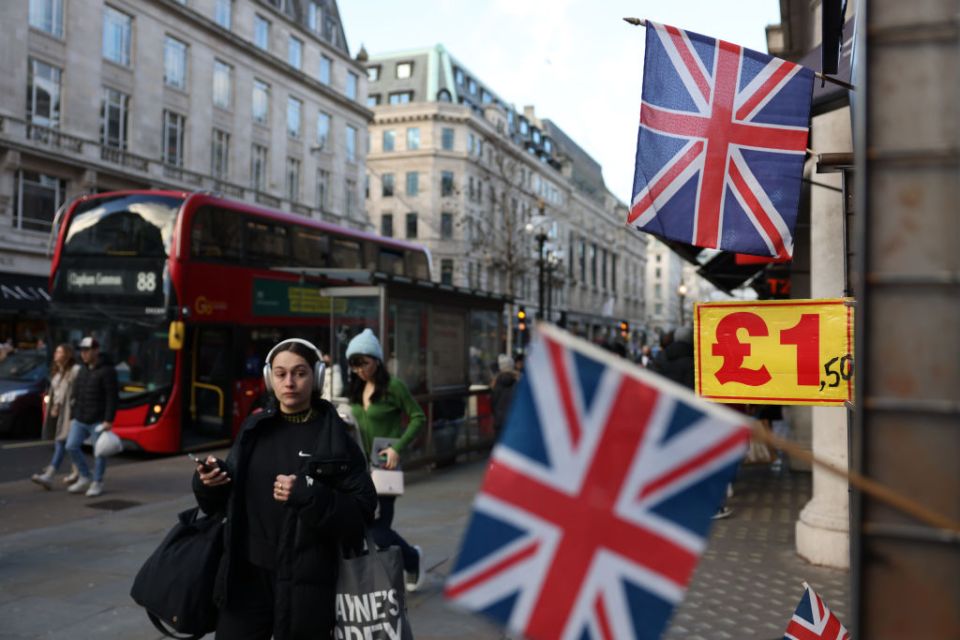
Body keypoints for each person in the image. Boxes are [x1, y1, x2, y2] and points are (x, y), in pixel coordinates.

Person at [193, 338, 376, 640]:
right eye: (280, 374)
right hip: (247, 577)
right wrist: (208, 483)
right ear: (269, 378)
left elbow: (363, 510)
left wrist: (309, 495)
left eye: (300, 373)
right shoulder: (254, 429)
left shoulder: (335, 438)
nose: (289, 382)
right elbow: (222, 503)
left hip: (308, 584)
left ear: (317, 377)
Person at [345, 328, 426, 592]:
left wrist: (397, 448)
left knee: (380, 531)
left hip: (384, 469)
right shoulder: (356, 389)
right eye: (354, 364)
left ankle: (412, 559)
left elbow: (418, 417)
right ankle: (387, 573)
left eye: (364, 363)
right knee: (364, 527)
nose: (359, 370)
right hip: (359, 471)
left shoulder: (394, 387)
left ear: (377, 361)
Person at [65, 337, 118, 497]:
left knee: (99, 453)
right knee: (71, 446)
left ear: (96, 350)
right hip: (80, 418)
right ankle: (85, 476)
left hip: (98, 420)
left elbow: (112, 397)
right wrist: (74, 414)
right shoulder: (83, 369)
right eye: (82, 350)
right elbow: (77, 392)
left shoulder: (107, 371)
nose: (83, 354)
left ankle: (97, 482)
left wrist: (108, 420)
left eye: (87, 350)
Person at [30, 343, 81, 489]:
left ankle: (49, 475)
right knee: (70, 445)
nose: (55, 354)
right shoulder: (57, 374)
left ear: (67, 355)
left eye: (59, 352)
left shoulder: (75, 371)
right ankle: (79, 472)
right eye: (56, 351)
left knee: (62, 442)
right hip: (61, 416)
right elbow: (57, 395)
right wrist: (54, 407)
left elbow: (78, 392)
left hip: (72, 415)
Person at [490, 353, 519, 436]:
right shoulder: (519, 380)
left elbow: (493, 402)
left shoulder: (496, 382)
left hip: (499, 421)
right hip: (515, 421)